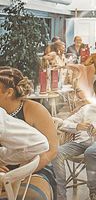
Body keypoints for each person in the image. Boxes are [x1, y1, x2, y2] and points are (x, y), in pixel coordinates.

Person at [0, 67, 58, 199]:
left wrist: (20, 173)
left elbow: (52, 150)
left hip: (35, 167)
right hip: (3, 168)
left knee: (32, 196)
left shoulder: (35, 109)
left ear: (8, 92)